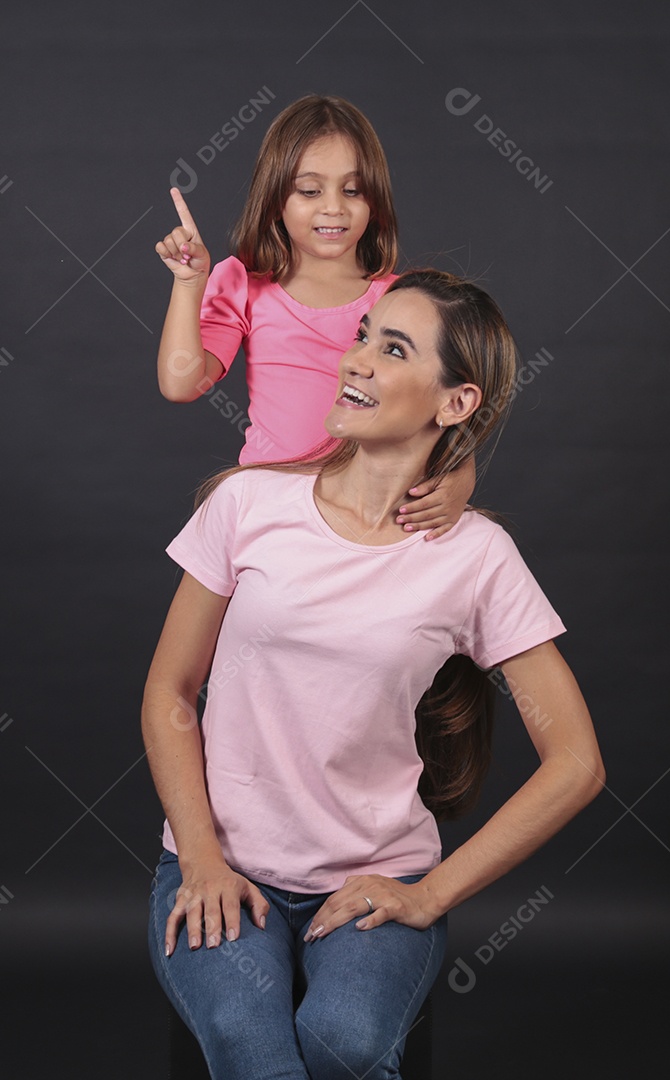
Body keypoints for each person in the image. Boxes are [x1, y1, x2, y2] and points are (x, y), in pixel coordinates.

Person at [143, 269, 604, 1080]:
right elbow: (170, 692)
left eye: (391, 348)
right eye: (361, 336)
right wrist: (202, 858)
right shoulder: (247, 505)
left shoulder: (476, 557)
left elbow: (576, 763)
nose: (354, 359)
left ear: (454, 403)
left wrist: (429, 895)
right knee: (254, 1052)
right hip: (223, 864)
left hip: (376, 878)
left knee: (344, 1045)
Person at [154, 93, 475, 539]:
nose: (333, 207)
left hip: (373, 514)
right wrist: (191, 285)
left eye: (352, 190)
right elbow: (181, 383)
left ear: (375, 199)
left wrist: (461, 474)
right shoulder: (246, 284)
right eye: (309, 190)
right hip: (271, 510)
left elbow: (442, 400)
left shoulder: (400, 298)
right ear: (275, 199)